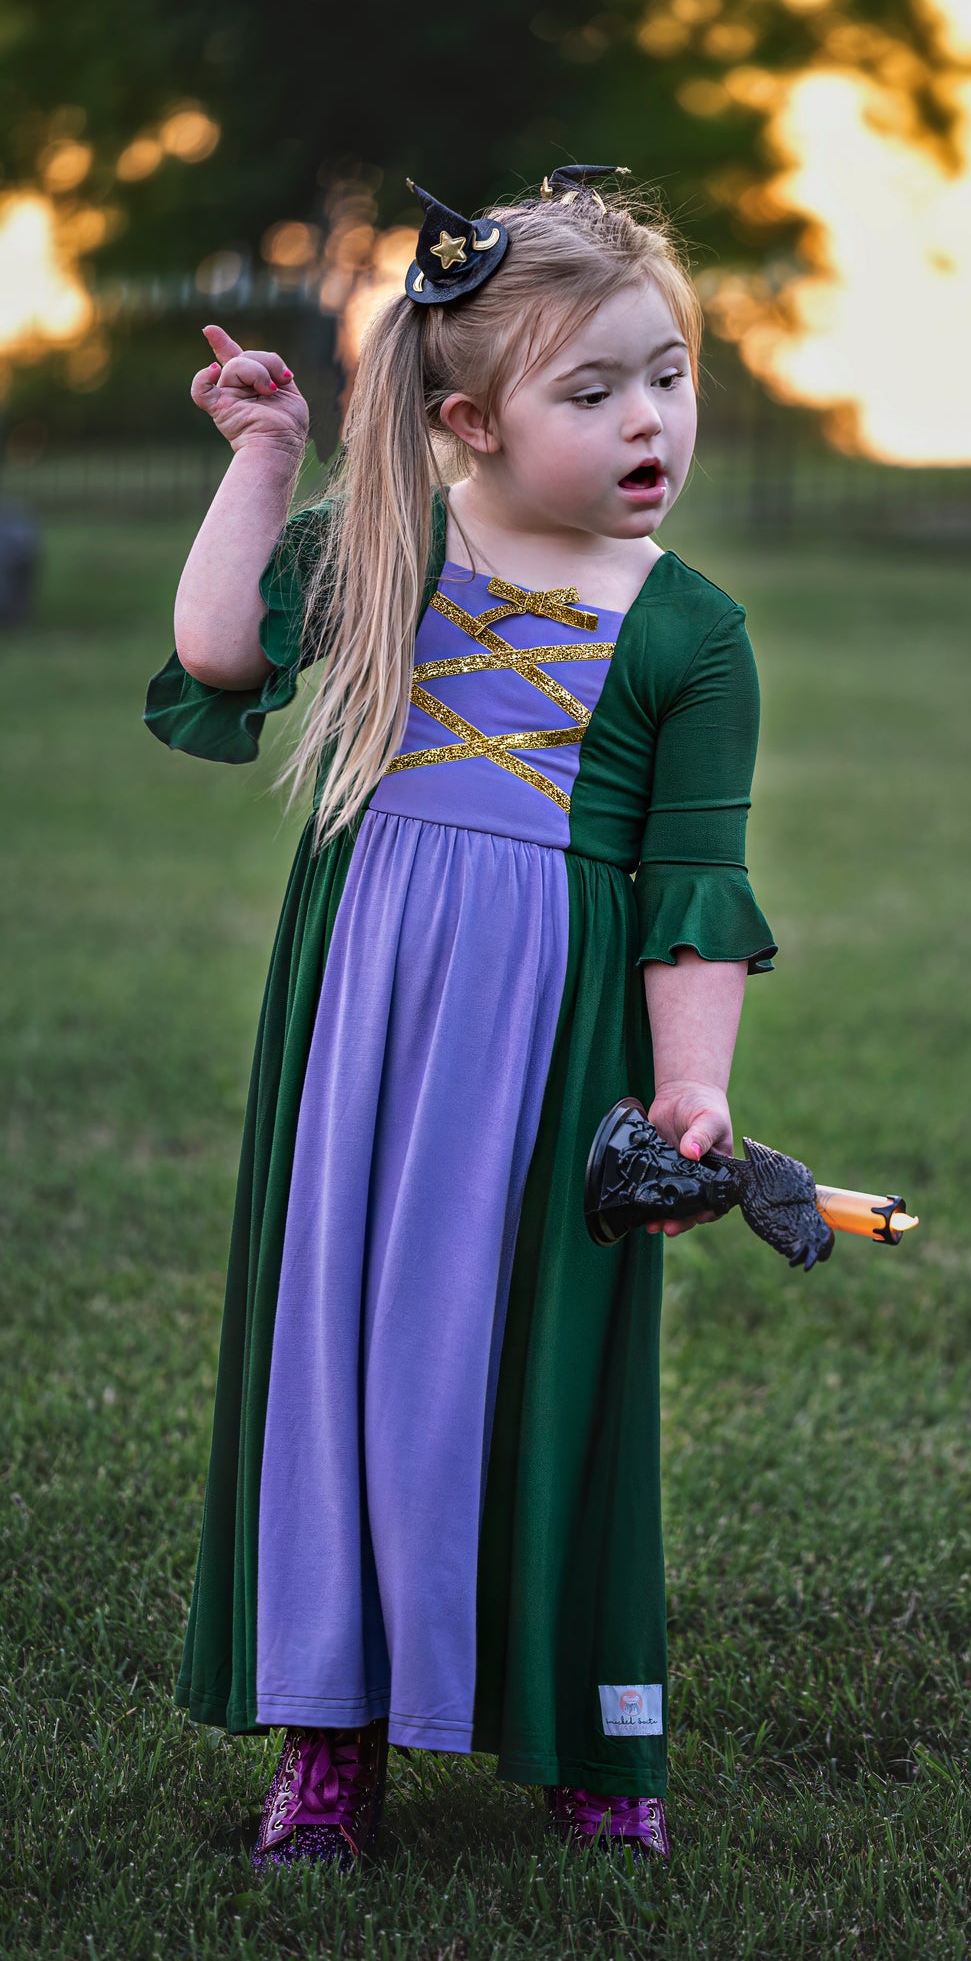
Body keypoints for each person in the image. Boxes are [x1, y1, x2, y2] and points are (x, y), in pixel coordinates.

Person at [144, 169, 776, 1871]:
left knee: (546, 1371)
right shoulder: (392, 551)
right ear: (470, 420)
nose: (651, 419)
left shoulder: (691, 636)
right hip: (362, 1024)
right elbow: (214, 653)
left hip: (556, 1048)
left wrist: (693, 1088)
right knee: (336, 1362)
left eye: (669, 372)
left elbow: (689, 892)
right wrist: (264, 462)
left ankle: (588, 1740)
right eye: (595, 391)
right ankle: (329, 1733)